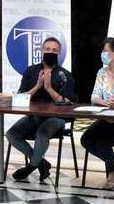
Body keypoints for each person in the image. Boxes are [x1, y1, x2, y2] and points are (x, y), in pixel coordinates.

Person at [6, 37, 76, 182]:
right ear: (42, 51)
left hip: (56, 119)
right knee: (12, 134)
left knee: (42, 132)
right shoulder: (31, 71)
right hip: (34, 117)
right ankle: (41, 163)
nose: (51, 52)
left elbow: (69, 103)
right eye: (48, 49)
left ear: (59, 53)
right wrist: (37, 87)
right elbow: (21, 97)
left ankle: (30, 167)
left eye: (54, 50)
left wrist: (49, 88)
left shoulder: (64, 75)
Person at [81, 37, 114, 189]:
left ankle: (112, 172)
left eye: (105, 51)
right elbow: (94, 96)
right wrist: (102, 101)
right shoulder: (102, 72)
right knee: (86, 139)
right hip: (107, 118)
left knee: (102, 142)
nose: (102, 53)